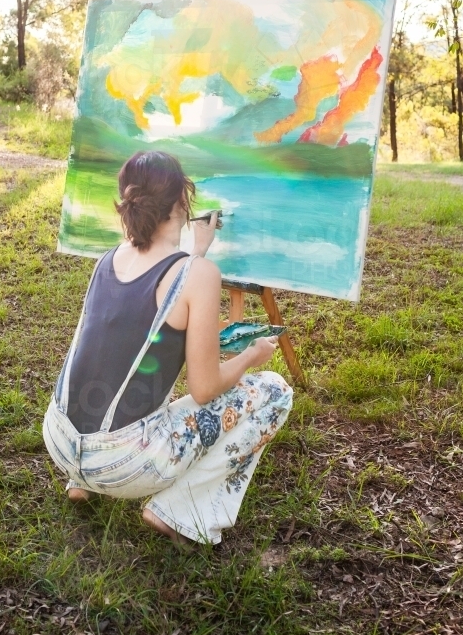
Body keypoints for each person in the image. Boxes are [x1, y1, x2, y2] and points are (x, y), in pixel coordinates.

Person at [43, 150, 293, 545]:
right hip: (122, 461)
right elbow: (205, 389)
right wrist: (251, 357)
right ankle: (179, 511)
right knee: (275, 392)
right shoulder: (199, 275)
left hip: (61, 439)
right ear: (182, 201)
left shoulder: (108, 259)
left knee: (111, 365)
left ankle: (81, 483)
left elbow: (161, 295)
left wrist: (196, 253)